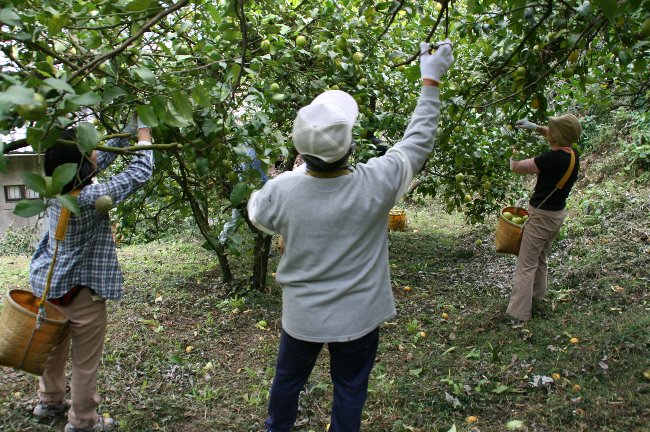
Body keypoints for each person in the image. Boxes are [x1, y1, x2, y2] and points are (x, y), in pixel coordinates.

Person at [247, 40, 454, 432]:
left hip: (302, 317)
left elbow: (258, 213)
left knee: (288, 382)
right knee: (349, 390)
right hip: (359, 316)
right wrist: (431, 78)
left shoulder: (283, 191)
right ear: (350, 146)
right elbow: (418, 140)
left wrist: (287, 178)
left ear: (300, 151)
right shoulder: (376, 182)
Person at [29, 116, 154, 432]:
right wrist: (144, 131)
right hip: (81, 294)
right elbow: (139, 172)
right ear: (83, 168)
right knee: (85, 363)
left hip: (48, 285)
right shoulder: (89, 200)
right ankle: (83, 421)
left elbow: (99, 157)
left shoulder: (54, 189)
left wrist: (126, 129)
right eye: (89, 152)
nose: (96, 153)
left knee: (53, 349)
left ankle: (49, 401)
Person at [507, 114, 581, 322]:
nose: (549, 130)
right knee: (540, 258)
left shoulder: (551, 159)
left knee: (526, 264)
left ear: (557, 136)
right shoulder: (572, 153)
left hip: (540, 217)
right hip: (556, 216)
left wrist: (510, 148)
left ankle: (519, 313)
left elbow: (516, 167)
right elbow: (556, 136)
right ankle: (537, 297)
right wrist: (535, 128)